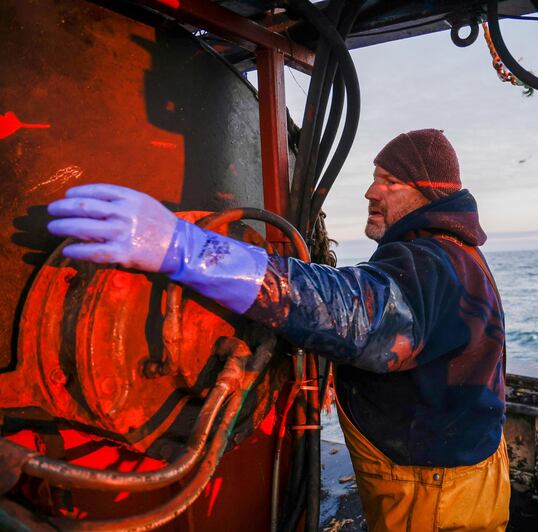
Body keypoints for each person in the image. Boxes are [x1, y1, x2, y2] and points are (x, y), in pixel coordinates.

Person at [47, 128, 509, 531]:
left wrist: (187, 248)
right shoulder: (455, 256)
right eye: (375, 177)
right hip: (462, 474)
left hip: (433, 495)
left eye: (389, 181)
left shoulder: (433, 263)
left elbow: (354, 314)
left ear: (426, 193)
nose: (371, 191)